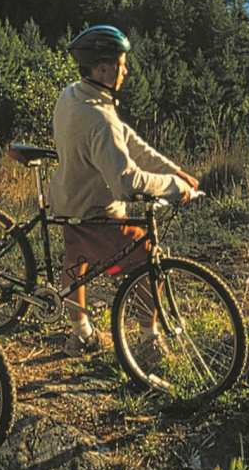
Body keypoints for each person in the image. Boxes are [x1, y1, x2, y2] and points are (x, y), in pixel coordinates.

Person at [49, 24, 199, 353]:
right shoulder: (99, 119)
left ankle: (81, 333)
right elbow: (127, 183)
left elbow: (127, 139)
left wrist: (173, 170)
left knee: (76, 262)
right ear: (102, 68)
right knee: (146, 259)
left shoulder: (73, 95)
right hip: (96, 213)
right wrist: (173, 186)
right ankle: (149, 340)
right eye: (121, 64)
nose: (125, 71)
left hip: (67, 202)